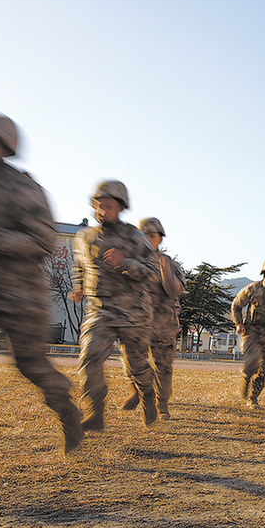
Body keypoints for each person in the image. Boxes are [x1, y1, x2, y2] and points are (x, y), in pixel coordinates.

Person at [0, 113, 83, 454]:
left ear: (4, 145)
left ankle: (68, 412)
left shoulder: (24, 188)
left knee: (31, 366)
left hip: (22, 296)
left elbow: (44, 241)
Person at [71, 181, 159, 431]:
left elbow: (153, 275)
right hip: (100, 310)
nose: (102, 210)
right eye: (98, 205)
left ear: (121, 208)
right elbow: (79, 264)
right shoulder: (84, 237)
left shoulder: (135, 237)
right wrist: (79, 287)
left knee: (137, 366)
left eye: (108, 206)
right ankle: (95, 413)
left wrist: (126, 262)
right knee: (89, 359)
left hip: (134, 313)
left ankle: (148, 398)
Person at [121, 217, 186, 419]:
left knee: (164, 368)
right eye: (144, 236)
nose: (148, 240)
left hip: (163, 323)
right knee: (131, 360)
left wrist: (166, 271)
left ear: (160, 238)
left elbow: (175, 291)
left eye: (152, 236)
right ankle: (138, 389)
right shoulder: (129, 262)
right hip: (136, 321)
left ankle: (162, 404)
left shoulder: (170, 264)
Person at [230, 258, 265, 408]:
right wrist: (239, 323)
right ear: (264, 272)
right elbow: (236, 305)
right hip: (252, 332)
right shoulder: (253, 289)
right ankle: (246, 377)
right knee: (252, 360)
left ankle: (253, 398)